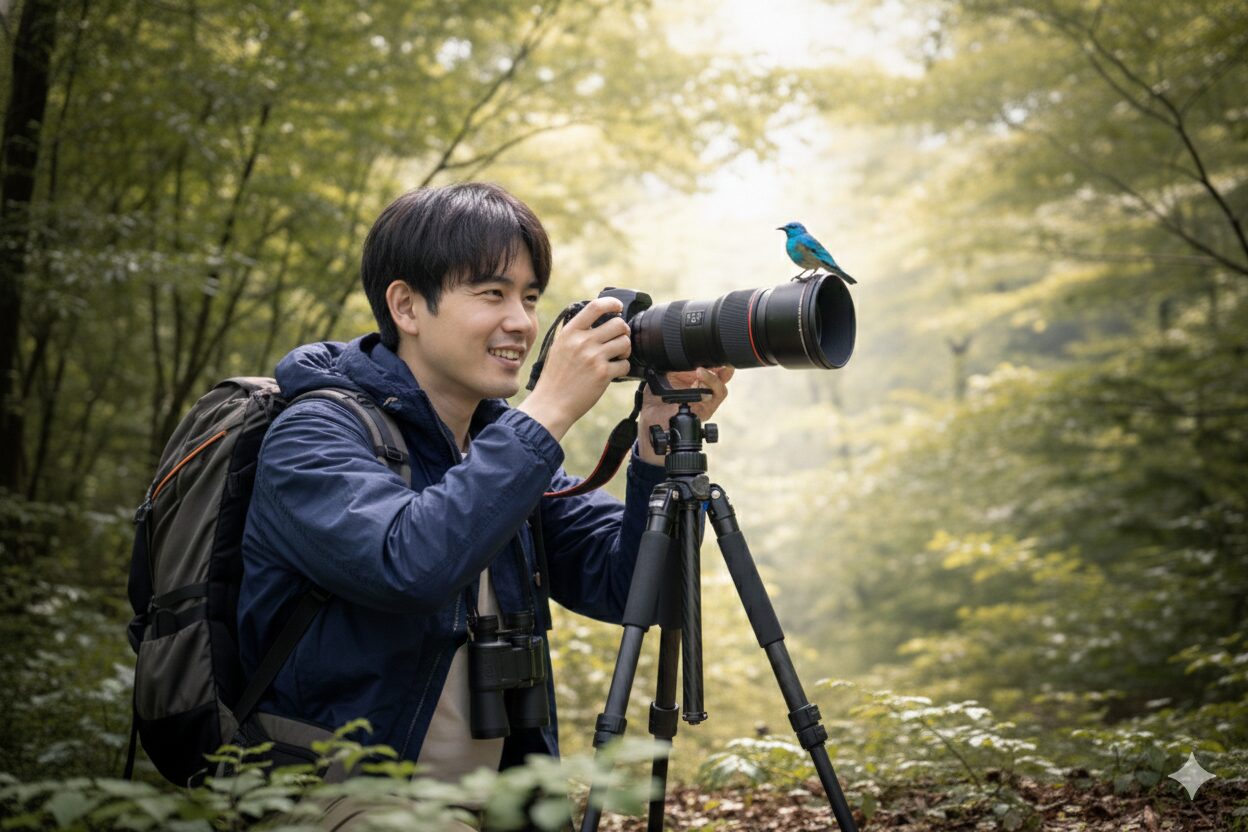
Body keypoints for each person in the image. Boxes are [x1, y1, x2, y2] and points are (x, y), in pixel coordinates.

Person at [235, 183, 731, 816]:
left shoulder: (495, 444)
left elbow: (634, 589)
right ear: (407, 307)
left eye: (529, 298)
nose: (522, 323)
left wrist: (658, 449)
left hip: (496, 806)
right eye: (492, 293)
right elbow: (408, 566)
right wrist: (547, 410)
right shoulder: (314, 434)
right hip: (333, 795)